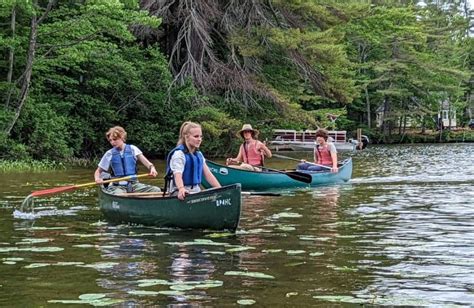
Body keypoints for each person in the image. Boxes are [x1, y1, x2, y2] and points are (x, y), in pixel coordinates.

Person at [94, 126, 161, 194]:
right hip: (117, 186)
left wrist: (152, 168)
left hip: (134, 184)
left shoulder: (133, 149)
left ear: (122, 137)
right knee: (120, 195)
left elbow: (148, 164)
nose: (112, 142)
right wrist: (97, 179)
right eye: (110, 140)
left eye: (115, 139)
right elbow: (98, 171)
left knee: (156, 190)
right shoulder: (109, 154)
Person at [165, 121, 221, 200]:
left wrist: (220, 189)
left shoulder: (199, 154)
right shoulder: (179, 154)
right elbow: (177, 175)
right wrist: (181, 188)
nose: (199, 139)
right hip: (178, 191)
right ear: (186, 137)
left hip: (195, 190)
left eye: (201, 137)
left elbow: (208, 175)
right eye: (196, 136)